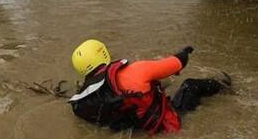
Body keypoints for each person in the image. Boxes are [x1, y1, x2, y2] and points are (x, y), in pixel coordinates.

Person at [69, 39, 232, 134]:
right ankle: (226, 85)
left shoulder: (82, 99)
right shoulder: (136, 70)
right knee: (190, 85)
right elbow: (179, 62)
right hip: (167, 126)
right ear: (103, 53)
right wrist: (184, 52)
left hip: (139, 128)